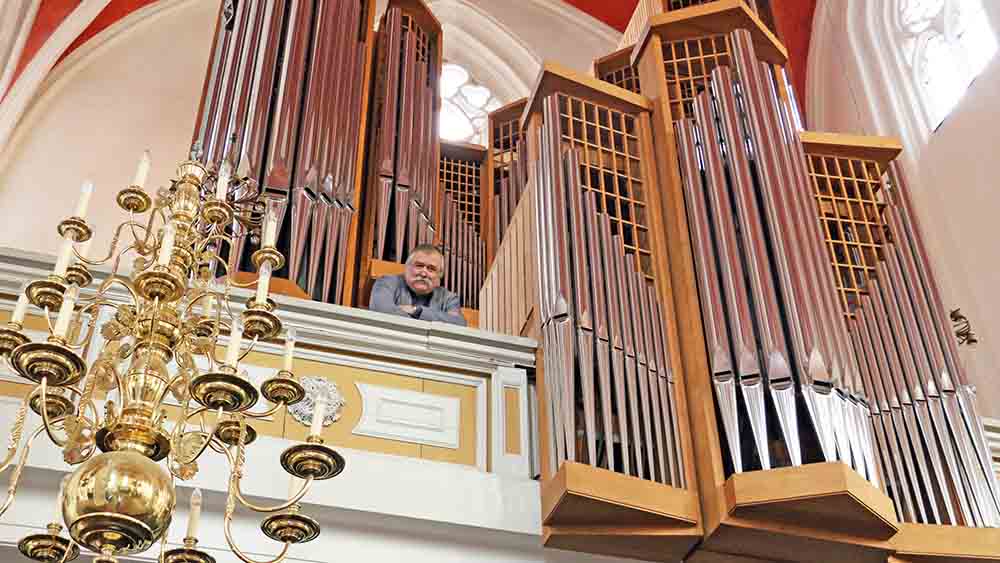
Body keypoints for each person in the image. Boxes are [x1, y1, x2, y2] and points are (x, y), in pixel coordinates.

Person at [368, 244, 467, 326]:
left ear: (439, 276)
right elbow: (381, 311)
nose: (424, 273)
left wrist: (417, 311)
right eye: (419, 266)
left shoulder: (448, 298)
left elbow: (459, 324)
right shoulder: (387, 283)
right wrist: (436, 320)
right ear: (406, 267)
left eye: (431, 269)